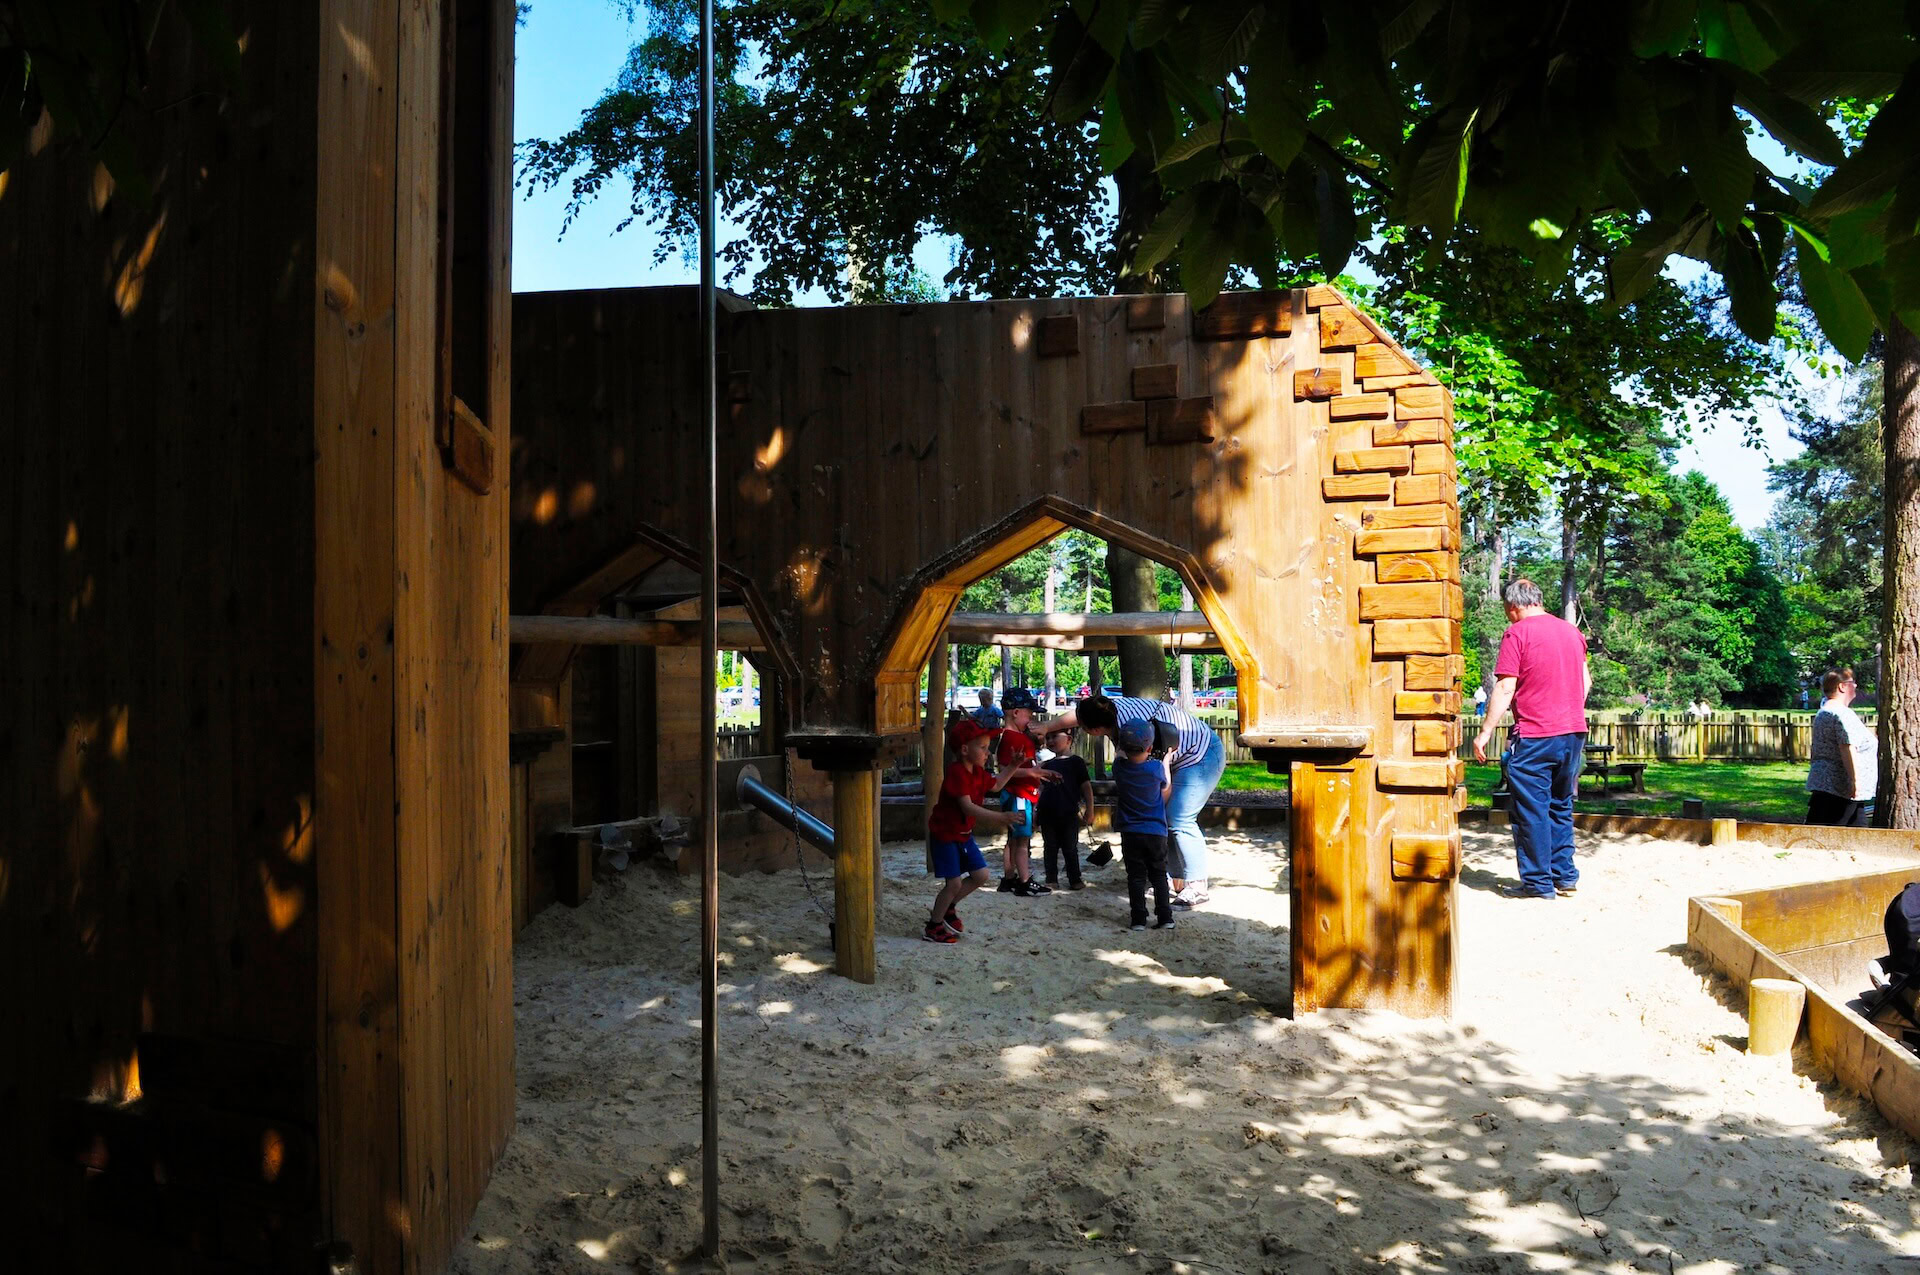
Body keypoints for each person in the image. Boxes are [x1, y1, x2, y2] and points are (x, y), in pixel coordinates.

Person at [1034, 691, 1226, 907]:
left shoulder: (1132, 730)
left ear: (1095, 730)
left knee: (1180, 819)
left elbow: (1159, 788)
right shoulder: (1106, 708)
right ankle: (1175, 878)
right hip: (1173, 759)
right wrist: (1047, 727)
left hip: (1201, 754)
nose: (1078, 726)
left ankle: (1197, 886)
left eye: (1082, 725)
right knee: (1165, 818)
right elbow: (1080, 715)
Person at [1472, 578, 1590, 900]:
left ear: (1513, 606)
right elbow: (1585, 681)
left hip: (1536, 734)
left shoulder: (1517, 633)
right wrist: (1566, 710)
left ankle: (1538, 884)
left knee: (1530, 810)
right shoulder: (1572, 632)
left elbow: (1506, 687)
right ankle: (1565, 877)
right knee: (1560, 805)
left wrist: (1484, 733)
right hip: (1573, 733)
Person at [923, 721, 1047, 943]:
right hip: (945, 835)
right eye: (982, 747)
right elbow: (967, 807)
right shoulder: (957, 773)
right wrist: (1002, 817)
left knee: (981, 875)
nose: (988, 752)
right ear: (964, 750)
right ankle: (934, 925)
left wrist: (1014, 765)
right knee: (954, 884)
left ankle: (948, 908)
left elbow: (997, 784)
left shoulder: (978, 772)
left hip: (963, 835)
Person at [1111, 720, 1175, 931]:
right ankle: (1165, 917)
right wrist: (1166, 759)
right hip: (1156, 831)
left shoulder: (1119, 769)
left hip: (1131, 833)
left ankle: (1138, 919)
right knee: (1158, 874)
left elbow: (1119, 756)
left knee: (1136, 876)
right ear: (1150, 748)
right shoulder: (1155, 768)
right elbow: (1166, 783)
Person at [993, 688, 1055, 896]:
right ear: (1016, 712)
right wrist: (1033, 772)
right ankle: (1024, 882)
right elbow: (1005, 770)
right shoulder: (1011, 738)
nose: (1032, 717)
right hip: (1019, 795)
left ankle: (1009, 878)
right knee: (1022, 840)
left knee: (1013, 839)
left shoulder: (1017, 737)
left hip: (1021, 794)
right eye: (1029, 712)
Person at [1807, 667, 1877, 827]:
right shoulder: (1840, 713)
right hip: (1839, 789)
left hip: (1833, 788)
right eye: (1853, 682)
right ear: (1842, 686)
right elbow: (1847, 747)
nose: (1856, 686)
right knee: (1824, 837)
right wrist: (1854, 781)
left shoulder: (1825, 710)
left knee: (1857, 833)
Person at [1036, 726, 1095, 889]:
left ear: (1068, 739)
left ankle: (1074, 879)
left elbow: (1086, 787)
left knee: (1070, 847)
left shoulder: (1076, 762)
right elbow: (1041, 790)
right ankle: (1051, 879)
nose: (1050, 741)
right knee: (1050, 847)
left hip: (1069, 813)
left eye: (1055, 736)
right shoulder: (1046, 765)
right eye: (1048, 738)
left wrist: (1090, 809)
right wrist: (1036, 811)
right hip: (1047, 813)